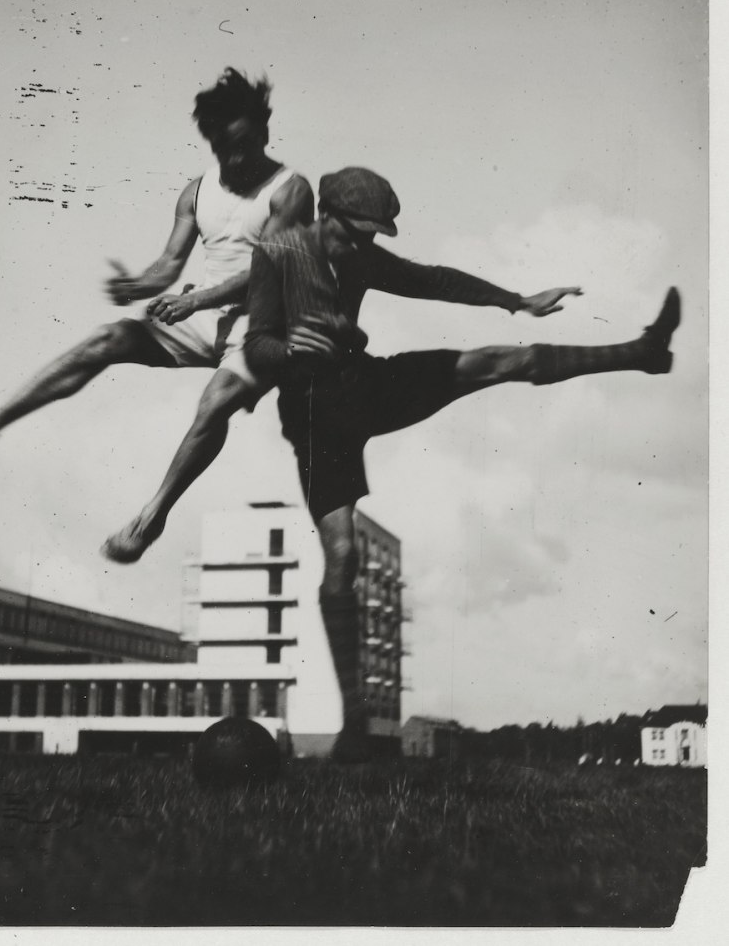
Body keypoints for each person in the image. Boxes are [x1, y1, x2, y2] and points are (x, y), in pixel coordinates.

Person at [244, 166, 681, 760]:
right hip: (315, 414)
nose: (360, 247)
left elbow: (433, 280)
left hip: (363, 384)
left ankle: (641, 351)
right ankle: (353, 725)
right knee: (342, 555)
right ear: (324, 216)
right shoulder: (278, 254)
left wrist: (516, 301)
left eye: (371, 238)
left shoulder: (362, 257)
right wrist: (291, 346)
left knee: (497, 362)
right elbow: (256, 346)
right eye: (353, 234)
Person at [0, 69, 313, 560]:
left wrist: (194, 301)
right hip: (208, 314)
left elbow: (267, 269)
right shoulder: (197, 191)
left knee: (215, 401)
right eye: (222, 149)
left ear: (263, 132)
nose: (232, 159)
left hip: (268, 324)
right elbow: (169, 264)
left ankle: (150, 518)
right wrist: (137, 285)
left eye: (241, 146)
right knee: (108, 337)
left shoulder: (290, 190)